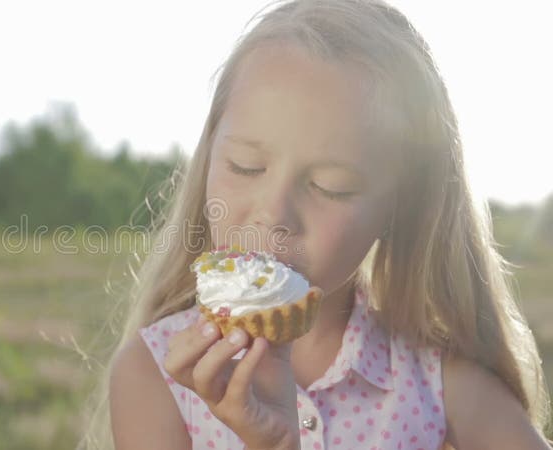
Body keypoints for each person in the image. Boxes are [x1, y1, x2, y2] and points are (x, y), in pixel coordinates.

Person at [79, 0, 552, 448]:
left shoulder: (441, 383)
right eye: (245, 166)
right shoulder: (157, 373)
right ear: (207, 157)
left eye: (330, 186)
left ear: (400, 208)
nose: (273, 213)